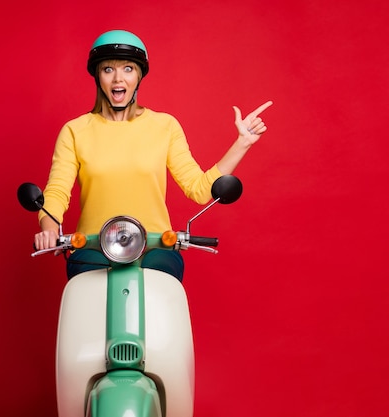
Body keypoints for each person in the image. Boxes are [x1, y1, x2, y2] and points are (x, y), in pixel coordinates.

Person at [34, 29, 272, 281]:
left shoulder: (164, 126)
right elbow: (57, 191)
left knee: (163, 293)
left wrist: (243, 143)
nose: (118, 79)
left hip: (155, 246)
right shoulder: (75, 131)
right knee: (82, 300)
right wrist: (49, 229)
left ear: (138, 76)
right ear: (97, 76)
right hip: (93, 246)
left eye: (128, 69)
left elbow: (199, 188)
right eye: (108, 70)